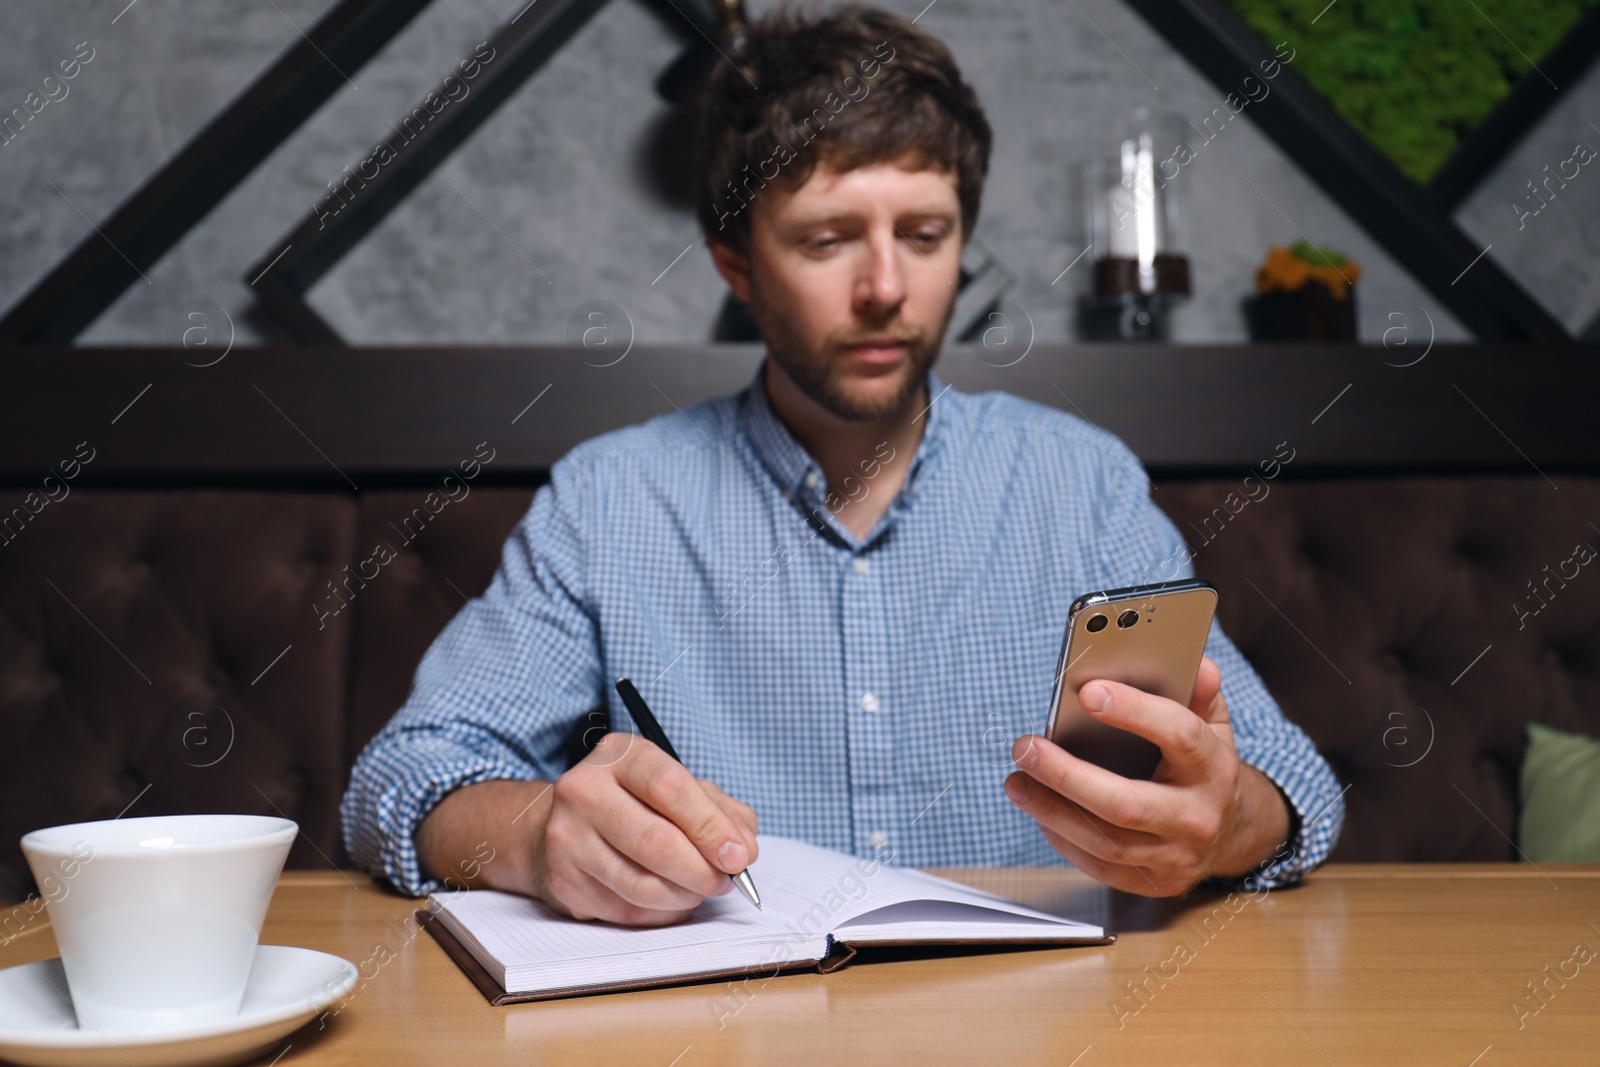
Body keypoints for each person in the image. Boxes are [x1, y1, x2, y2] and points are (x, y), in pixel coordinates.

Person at [341, 2, 1344, 926]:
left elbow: (1291, 783)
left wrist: (1221, 820)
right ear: (735, 262)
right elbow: (404, 775)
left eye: (924, 235)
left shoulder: (1081, 485)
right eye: (825, 240)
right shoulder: (611, 500)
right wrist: (533, 835)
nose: (884, 288)